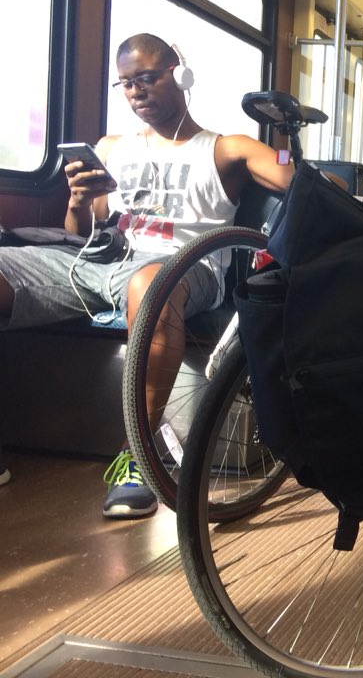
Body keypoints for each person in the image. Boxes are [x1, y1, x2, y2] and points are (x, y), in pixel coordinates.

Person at [0, 33, 294, 517]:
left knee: (148, 284)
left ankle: (136, 455)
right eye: (126, 83)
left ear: (180, 75)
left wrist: (310, 170)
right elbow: (80, 232)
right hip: (98, 261)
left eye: (146, 78)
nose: (135, 91)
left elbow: (303, 183)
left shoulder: (225, 149)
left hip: (186, 265)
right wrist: (76, 200)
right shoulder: (111, 148)